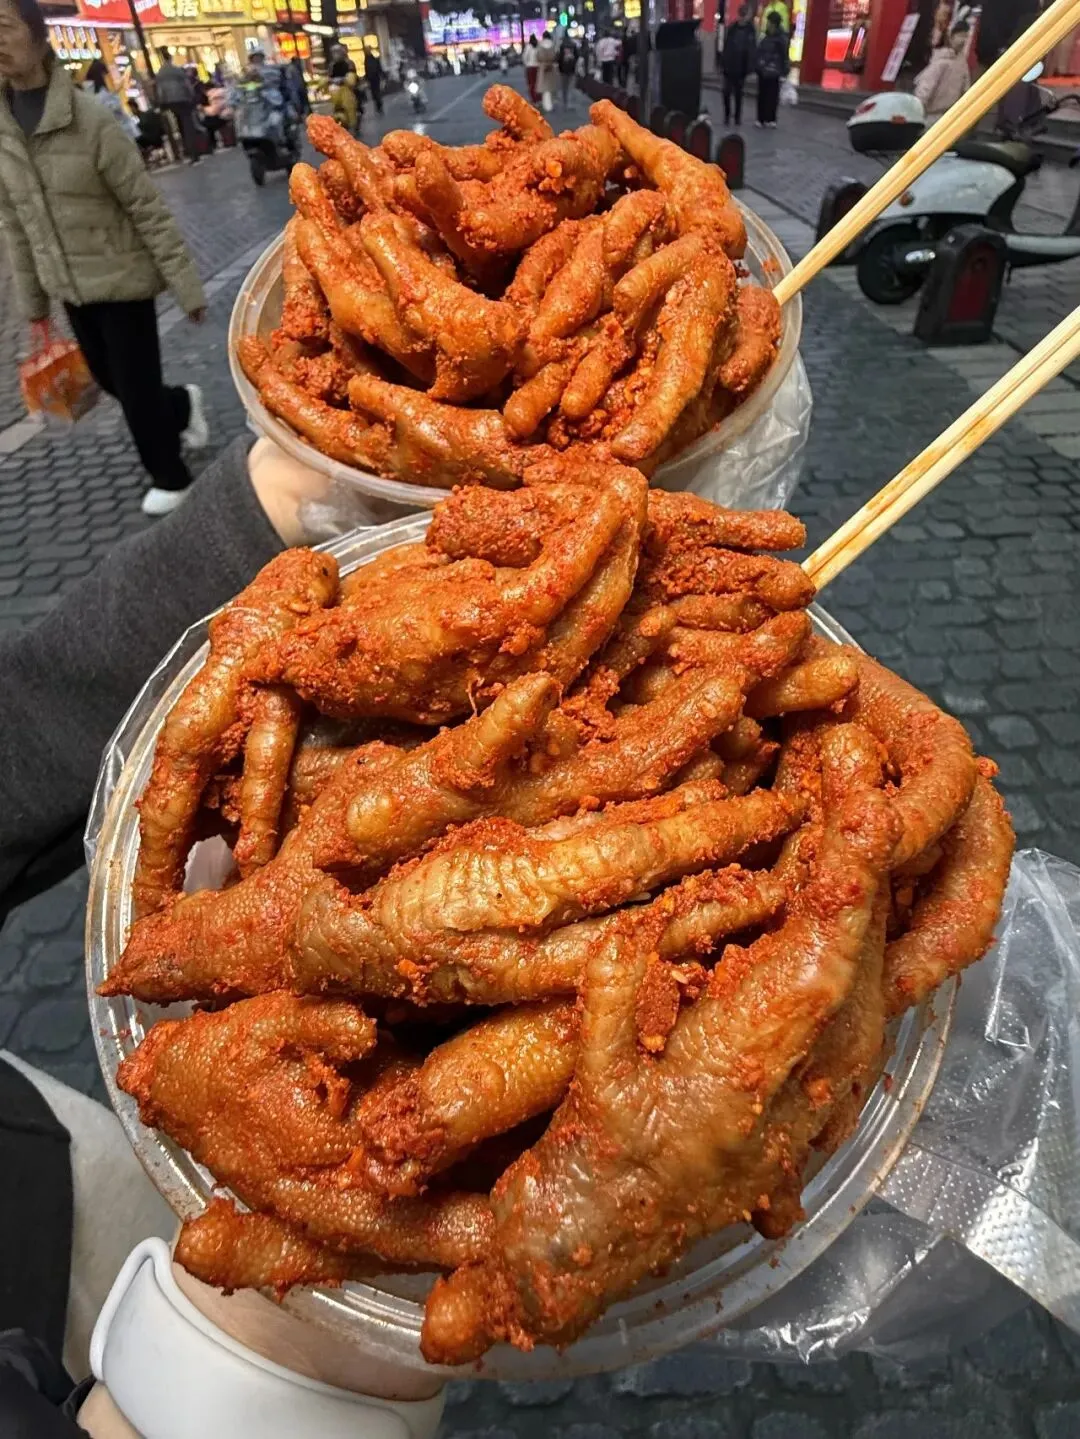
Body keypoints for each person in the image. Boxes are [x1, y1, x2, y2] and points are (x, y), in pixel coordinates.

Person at [0, 0, 208, 518]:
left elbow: (145, 206)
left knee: (136, 390)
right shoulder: (3, 131)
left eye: (4, 28)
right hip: (70, 286)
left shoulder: (90, 119)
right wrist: (34, 303)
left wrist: (186, 287)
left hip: (123, 278)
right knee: (111, 380)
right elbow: (15, 223)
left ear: (39, 38)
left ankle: (171, 476)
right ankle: (182, 404)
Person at [913, 19, 971, 122]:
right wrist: (916, 111)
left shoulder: (962, 63)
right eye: (960, 35)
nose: (963, 40)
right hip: (932, 115)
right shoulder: (941, 61)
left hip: (951, 115)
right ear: (951, 37)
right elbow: (925, 88)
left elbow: (966, 89)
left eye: (966, 36)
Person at [154, 44, 199, 163]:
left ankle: (184, 152)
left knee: (179, 126)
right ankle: (193, 152)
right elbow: (187, 85)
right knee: (188, 124)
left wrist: (161, 103)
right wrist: (192, 96)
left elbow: (160, 91)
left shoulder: (160, 73)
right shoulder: (177, 70)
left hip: (170, 102)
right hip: (183, 99)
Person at [721, 1, 756, 127]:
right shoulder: (733, 28)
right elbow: (726, 46)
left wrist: (749, 67)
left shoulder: (750, 30)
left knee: (738, 94)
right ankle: (727, 115)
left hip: (741, 67)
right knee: (726, 92)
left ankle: (737, 117)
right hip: (730, 65)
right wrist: (724, 62)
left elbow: (752, 49)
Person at [755, 10, 789, 128]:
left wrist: (784, 71)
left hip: (774, 71)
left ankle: (771, 118)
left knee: (772, 96)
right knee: (762, 95)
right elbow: (759, 51)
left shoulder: (781, 39)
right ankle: (761, 118)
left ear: (774, 23)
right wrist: (758, 65)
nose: (768, 24)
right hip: (763, 70)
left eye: (769, 22)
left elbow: (784, 56)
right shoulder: (765, 37)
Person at [128, 97, 167, 162]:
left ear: (134, 108)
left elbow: (144, 131)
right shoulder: (145, 115)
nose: (131, 111)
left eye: (131, 109)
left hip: (152, 139)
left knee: (135, 140)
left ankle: (145, 159)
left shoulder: (143, 119)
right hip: (158, 137)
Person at [536, 29, 556, 112]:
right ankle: (550, 104)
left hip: (543, 67)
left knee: (544, 87)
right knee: (550, 86)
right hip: (551, 67)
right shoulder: (553, 45)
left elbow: (538, 56)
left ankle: (546, 105)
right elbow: (555, 55)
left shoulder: (540, 45)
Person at [557, 33, 577, 107]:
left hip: (563, 69)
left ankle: (564, 102)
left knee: (563, 86)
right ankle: (569, 103)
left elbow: (559, 57)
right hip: (572, 68)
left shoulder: (562, 46)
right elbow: (577, 56)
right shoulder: (574, 45)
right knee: (570, 87)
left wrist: (559, 67)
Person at [363, 44, 383, 114]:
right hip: (371, 79)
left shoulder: (374, 58)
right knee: (374, 93)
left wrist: (381, 75)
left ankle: (379, 105)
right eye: (366, 50)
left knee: (377, 92)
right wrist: (366, 78)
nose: (367, 51)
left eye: (368, 50)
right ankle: (378, 105)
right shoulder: (366, 60)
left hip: (376, 78)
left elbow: (378, 67)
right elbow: (366, 69)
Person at [524, 33, 539, 101]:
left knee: (531, 84)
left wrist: (526, 64)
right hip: (537, 67)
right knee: (537, 83)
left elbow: (525, 57)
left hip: (530, 67)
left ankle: (533, 98)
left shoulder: (528, 47)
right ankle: (538, 98)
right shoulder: (538, 46)